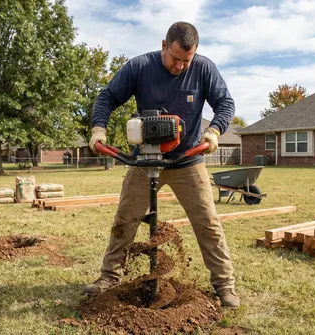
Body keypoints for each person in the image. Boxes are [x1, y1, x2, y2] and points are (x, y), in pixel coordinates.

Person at [84, 21, 239, 308]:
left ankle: (224, 284)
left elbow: (225, 104)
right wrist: (98, 129)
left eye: (186, 61)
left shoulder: (204, 68)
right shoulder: (139, 67)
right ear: (164, 45)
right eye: (175, 59)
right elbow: (107, 97)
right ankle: (109, 277)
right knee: (125, 219)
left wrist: (215, 129)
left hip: (187, 160)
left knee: (208, 224)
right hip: (145, 159)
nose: (180, 66)